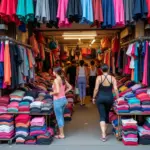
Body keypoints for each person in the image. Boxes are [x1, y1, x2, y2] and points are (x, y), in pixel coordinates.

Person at [92, 64, 119, 142]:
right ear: (108, 69)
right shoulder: (113, 78)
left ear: (101, 69)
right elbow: (116, 89)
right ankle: (105, 132)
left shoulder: (99, 78)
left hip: (100, 98)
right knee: (107, 114)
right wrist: (118, 98)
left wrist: (93, 97)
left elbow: (96, 89)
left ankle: (103, 134)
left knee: (102, 116)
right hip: (109, 98)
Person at [50, 67, 72, 139]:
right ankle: (60, 132)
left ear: (55, 72)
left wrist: (51, 93)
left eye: (53, 71)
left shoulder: (56, 80)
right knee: (61, 116)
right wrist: (64, 92)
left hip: (58, 101)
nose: (52, 72)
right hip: (63, 100)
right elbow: (70, 87)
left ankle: (62, 134)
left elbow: (57, 91)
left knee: (59, 117)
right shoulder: (63, 79)